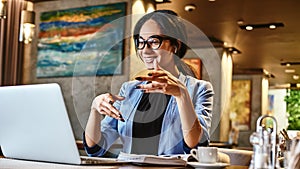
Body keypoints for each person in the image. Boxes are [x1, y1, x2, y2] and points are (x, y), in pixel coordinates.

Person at [83, 9, 214, 156]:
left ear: (175, 45)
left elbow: (195, 146)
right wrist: (94, 109)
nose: (145, 50)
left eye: (153, 42)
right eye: (141, 42)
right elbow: (95, 148)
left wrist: (181, 94)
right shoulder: (128, 90)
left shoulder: (199, 89)